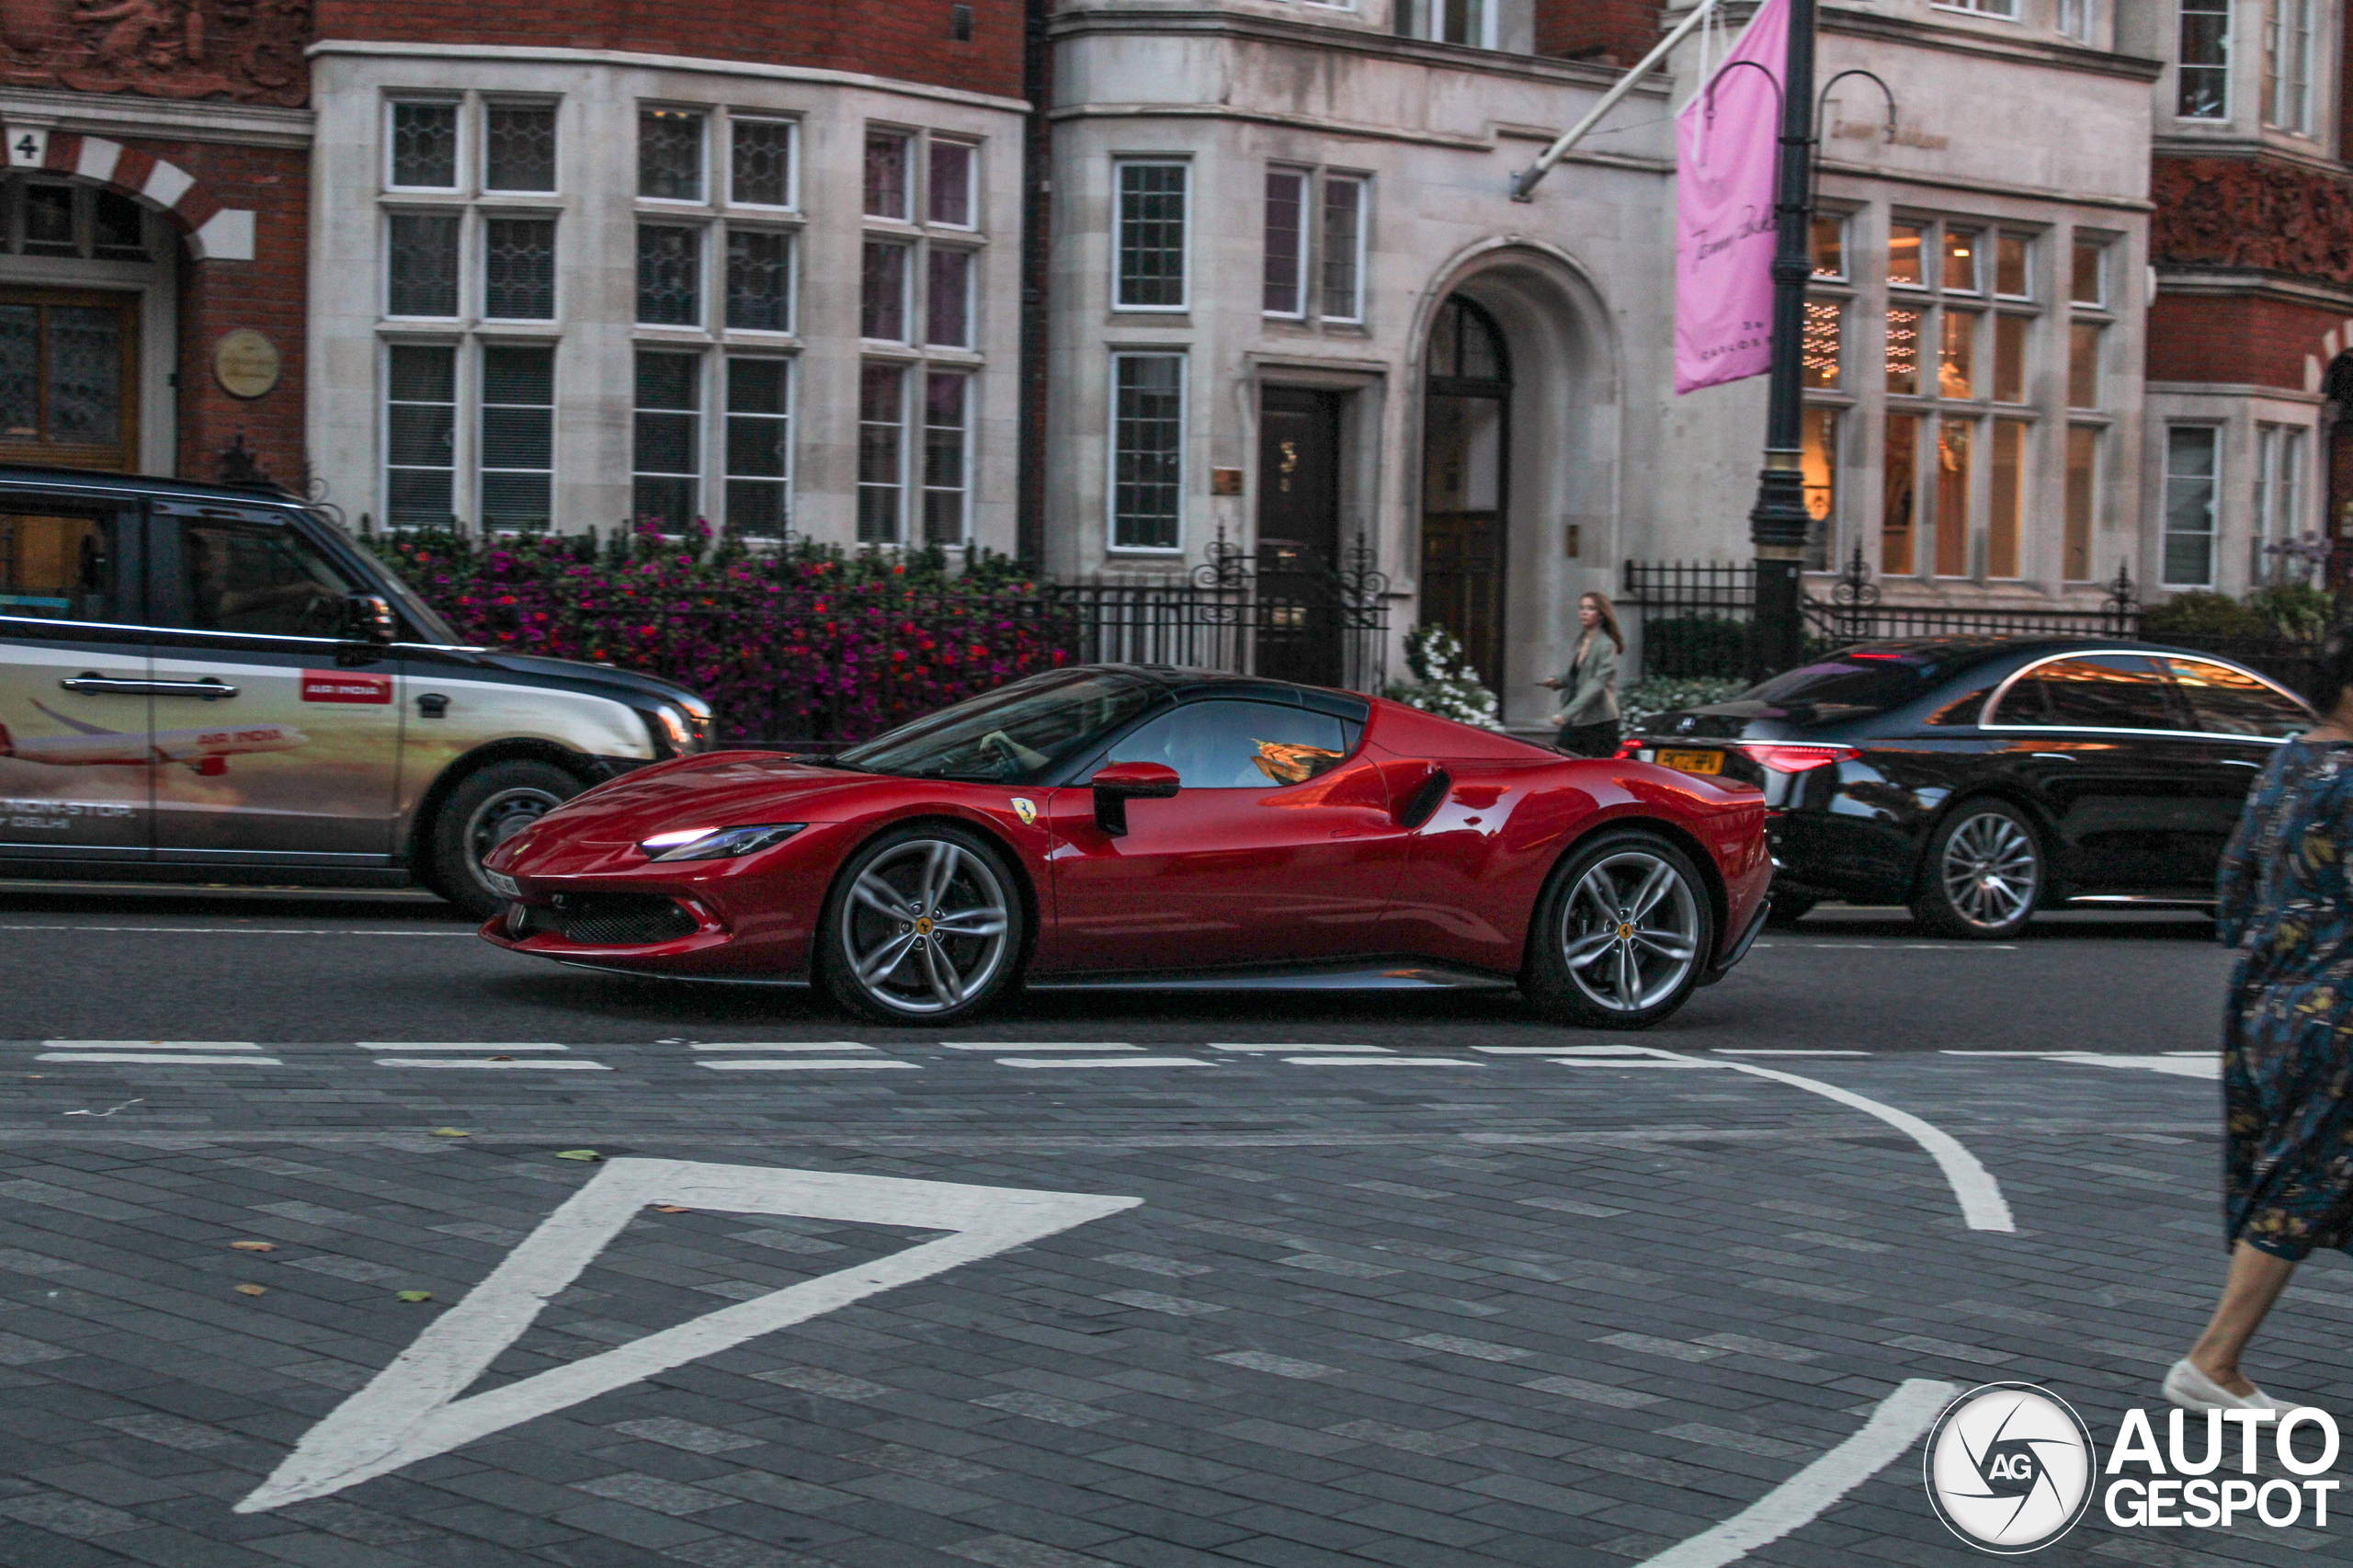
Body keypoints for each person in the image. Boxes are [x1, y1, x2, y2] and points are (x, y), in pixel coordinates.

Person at [2166, 632, 2353, 1415]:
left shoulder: (2286, 763)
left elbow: (2234, 892)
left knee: (2301, 1170)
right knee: (2303, 1181)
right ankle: (2213, 1360)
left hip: (2268, 998)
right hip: (2338, 1009)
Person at [1541, 592, 1623, 757]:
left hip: (1599, 719)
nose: (1584, 612)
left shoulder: (1606, 644)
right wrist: (1559, 681)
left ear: (1601, 615)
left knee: (1602, 769)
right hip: (1579, 717)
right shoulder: (1583, 640)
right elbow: (1578, 675)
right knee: (1562, 760)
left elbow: (1597, 683)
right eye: (1581, 608)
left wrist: (1567, 713)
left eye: (1590, 608)